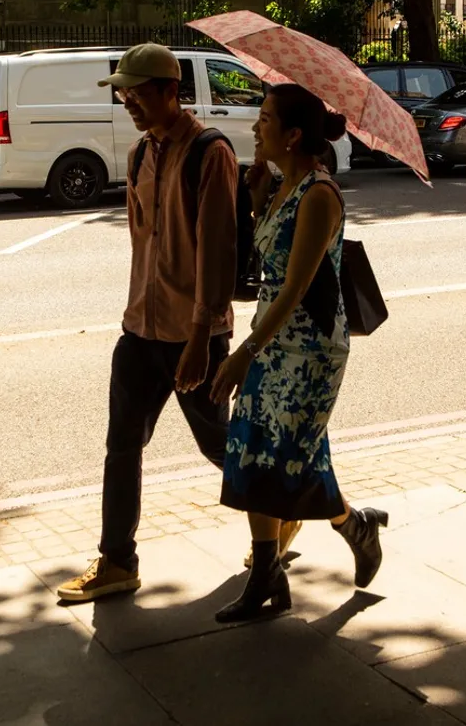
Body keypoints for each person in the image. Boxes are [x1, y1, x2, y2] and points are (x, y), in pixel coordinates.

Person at [57, 44, 300, 602]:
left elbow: (217, 251)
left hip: (194, 338)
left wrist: (199, 338)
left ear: (171, 91)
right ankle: (118, 561)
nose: (128, 103)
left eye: (137, 92)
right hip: (139, 331)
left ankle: (281, 510)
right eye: (123, 93)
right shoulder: (142, 152)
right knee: (122, 448)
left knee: (223, 449)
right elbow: (146, 245)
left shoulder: (208, 152)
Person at [209, 83, 387, 623]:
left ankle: (352, 527)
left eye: (264, 119)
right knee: (253, 447)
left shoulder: (319, 195)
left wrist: (244, 351)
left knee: (285, 458)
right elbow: (264, 261)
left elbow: (294, 285)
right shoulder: (284, 186)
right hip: (272, 336)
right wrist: (259, 197)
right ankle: (273, 573)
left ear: (292, 134)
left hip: (308, 348)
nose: (255, 128)